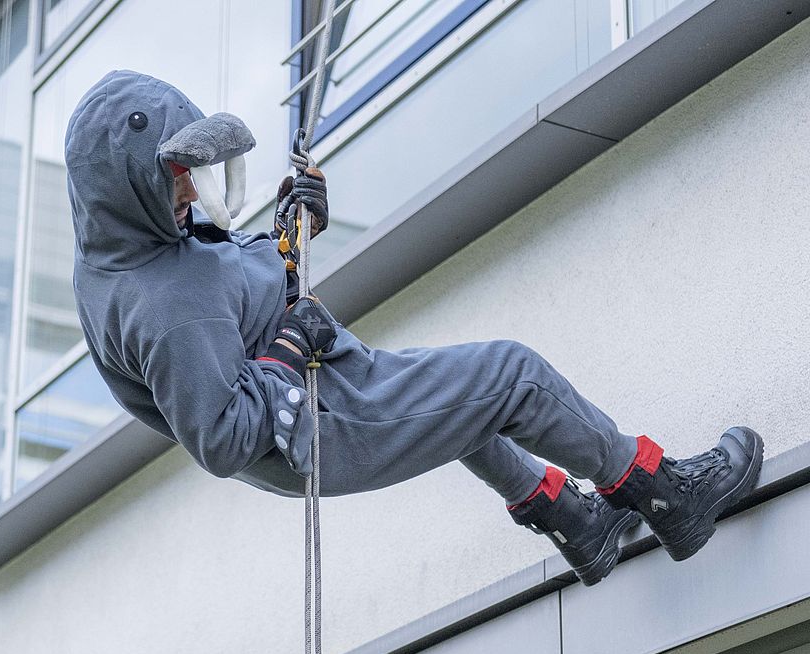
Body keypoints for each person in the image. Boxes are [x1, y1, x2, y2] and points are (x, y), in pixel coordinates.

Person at [64, 70, 764, 586]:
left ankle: (577, 525)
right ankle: (667, 495)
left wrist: (289, 233)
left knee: (457, 403)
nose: (191, 188)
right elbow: (223, 435)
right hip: (319, 423)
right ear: (122, 181)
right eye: (175, 175)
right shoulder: (161, 304)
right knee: (509, 377)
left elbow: (227, 301)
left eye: (191, 168)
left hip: (323, 389)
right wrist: (289, 345)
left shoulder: (129, 241)